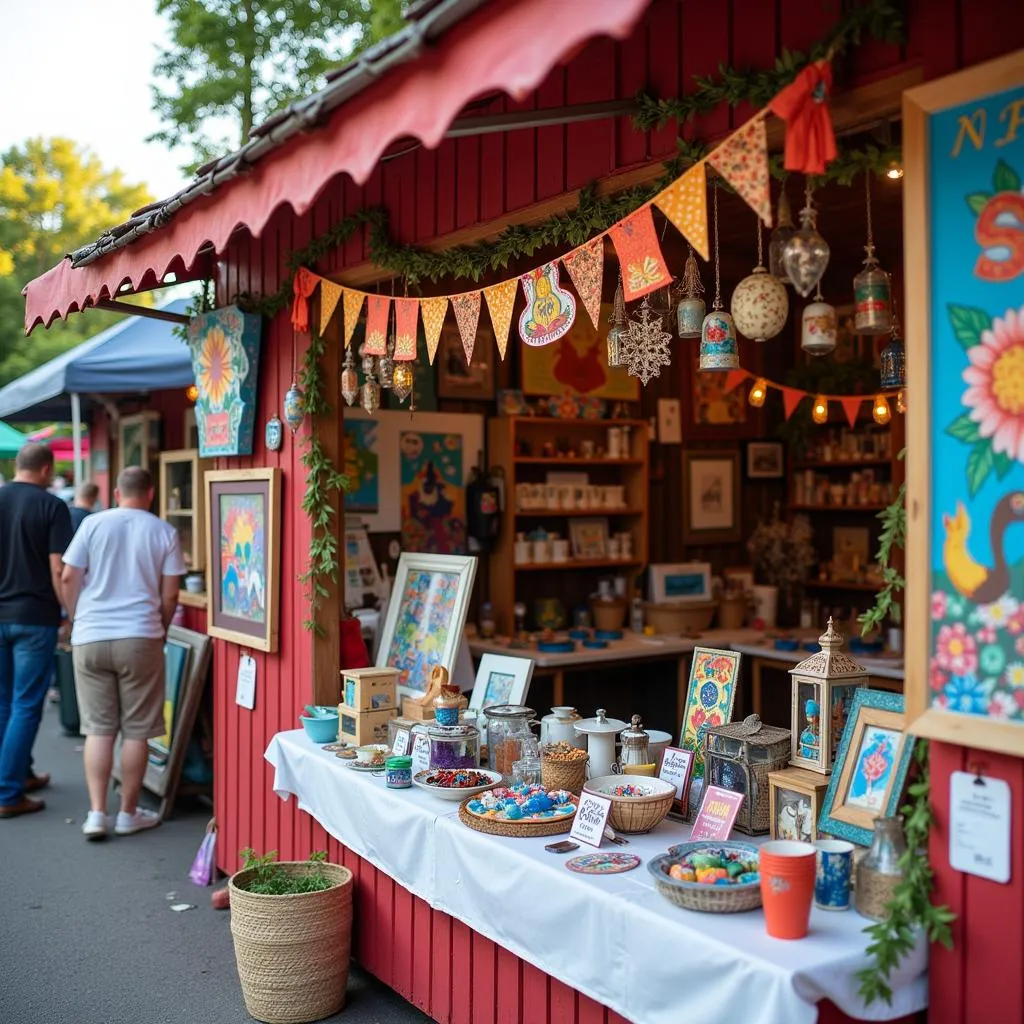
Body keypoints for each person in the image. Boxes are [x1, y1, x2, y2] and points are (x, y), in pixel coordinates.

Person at [61, 466, 185, 840]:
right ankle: (128, 813)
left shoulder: (93, 524)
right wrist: (159, 628)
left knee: (99, 728)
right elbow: (170, 595)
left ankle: (97, 814)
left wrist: (78, 617)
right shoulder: (164, 532)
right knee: (137, 730)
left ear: (116, 492)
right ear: (150, 494)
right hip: (140, 636)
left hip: (91, 636)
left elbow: (68, 576)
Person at [0, 443, 73, 818]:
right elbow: (58, 568)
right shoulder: (51, 505)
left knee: (5, 702)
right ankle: (8, 793)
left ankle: (19, 774)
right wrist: (71, 613)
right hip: (35, 616)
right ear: (46, 469)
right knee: (27, 705)